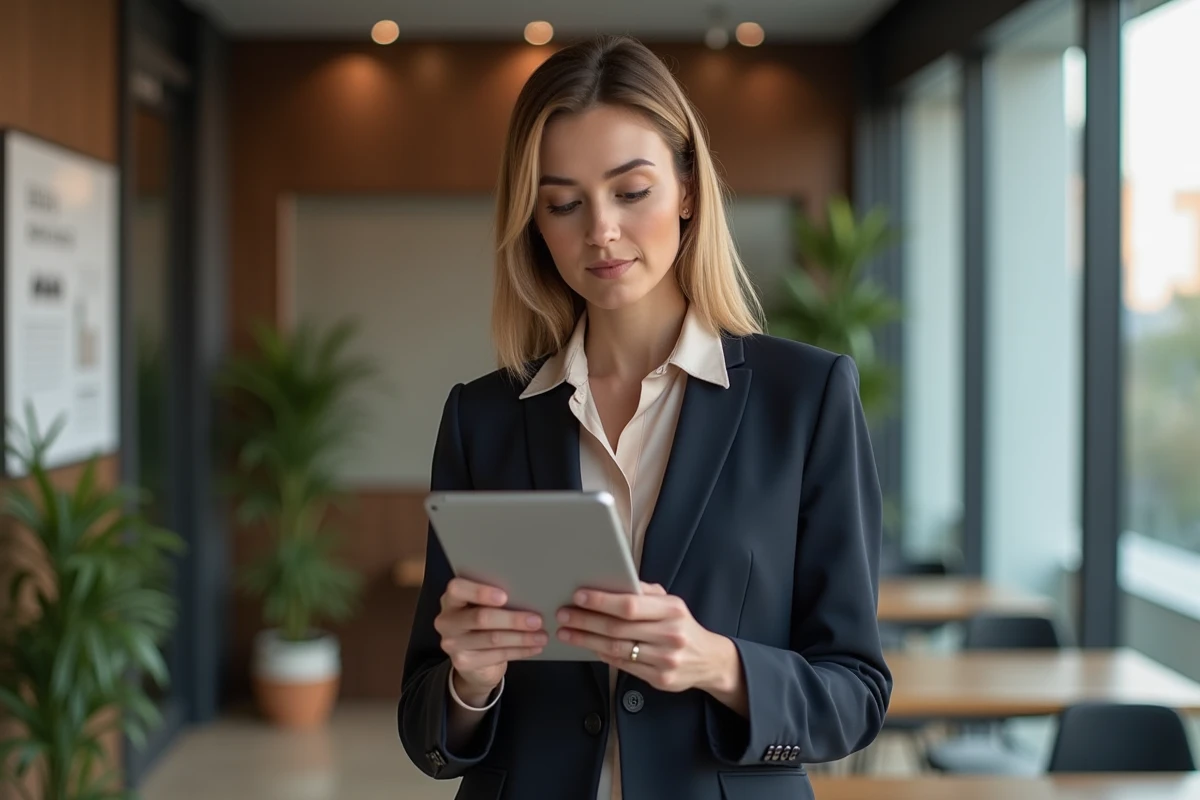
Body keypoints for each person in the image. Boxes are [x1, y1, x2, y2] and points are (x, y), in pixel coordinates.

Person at [398, 34, 891, 800]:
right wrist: (470, 680)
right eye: (564, 204)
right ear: (533, 220)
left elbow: (855, 695)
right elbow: (425, 727)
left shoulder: (806, 397)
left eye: (631, 191)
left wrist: (716, 663)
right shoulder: (482, 417)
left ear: (688, 189)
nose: (600, 230)